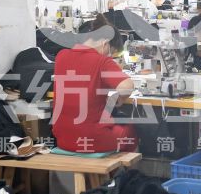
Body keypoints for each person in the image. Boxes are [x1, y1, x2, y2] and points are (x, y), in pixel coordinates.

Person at [51, 16, 137, 153]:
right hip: (93, 140)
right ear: (105, 43)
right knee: (131, 129)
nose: (109, 56)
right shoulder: (102, 62)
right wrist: (120, 98)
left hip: (63, 139)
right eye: (111, 53)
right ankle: (122, 167)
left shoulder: (61, 56)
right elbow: (127, 86)